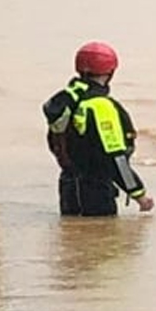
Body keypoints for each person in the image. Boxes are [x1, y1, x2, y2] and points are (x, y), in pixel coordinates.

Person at [63, 42, 155, 217]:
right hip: (96, 193)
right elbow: (116, 158)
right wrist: (139, 194)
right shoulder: (102, 107)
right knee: (101, 241)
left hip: (69, 188)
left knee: (73, 238)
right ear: (110, 72)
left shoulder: (68, 99)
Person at [42, 75, 90, 215]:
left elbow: (53, 141)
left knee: (70, 219)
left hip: (67, 170)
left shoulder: (61, 102)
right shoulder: (90, 101)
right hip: (90, 177)